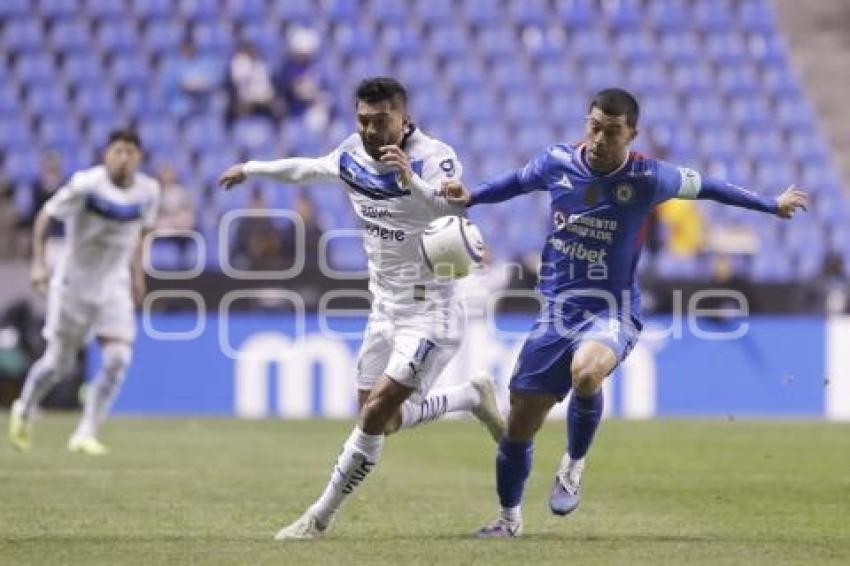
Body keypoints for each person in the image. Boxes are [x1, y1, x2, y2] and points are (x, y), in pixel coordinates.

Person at [440, 88, 809, 537]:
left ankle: (572, 466)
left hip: (613, 308)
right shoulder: (557, 162)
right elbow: (517, 182)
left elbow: (710, 187)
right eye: (594, 127)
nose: (599, 138)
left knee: (586, 373)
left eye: (612, 131)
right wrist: (472, 196)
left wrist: (770, 204)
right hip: (557, 310)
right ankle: (508, 519)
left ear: (631, 134)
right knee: (520, 423)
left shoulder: (650, 177)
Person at [218, 77, 506, 539]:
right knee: (381, 420)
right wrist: (251, 168)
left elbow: (455, 215)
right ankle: (470, 397)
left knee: (373, 416)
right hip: (384, 308)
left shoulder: (436, 157)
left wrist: (410, 181)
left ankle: (318, 518)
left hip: (430, 313)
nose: (370, 130)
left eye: (380, 120)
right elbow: (308, 169)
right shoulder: (352, 153)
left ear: (403, 117)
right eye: (363, 120)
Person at [8, 129, 161, 455]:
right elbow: (45, 216)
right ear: (106, 154)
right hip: (74, 284)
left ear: (139, 157)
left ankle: (86, 432)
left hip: (114, 284)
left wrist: (138, 275)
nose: (124, 157)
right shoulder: (86, 185)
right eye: (118, 150)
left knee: (118, 358)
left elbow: (142, 233)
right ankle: (25, 407)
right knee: (58, 365)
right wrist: (38, 264)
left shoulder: (149, 191)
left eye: (131, 151)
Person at [225, 43, 278, 126]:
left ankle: (276, 130)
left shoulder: (261, 65)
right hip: (244, 96)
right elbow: (238, 83)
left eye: (253, 51)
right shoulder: (239, 63)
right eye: (249, 51)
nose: (252, 53)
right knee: (239, 106)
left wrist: (266, 96)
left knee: (277, 107)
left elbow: (266, 84)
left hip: (262, 96)